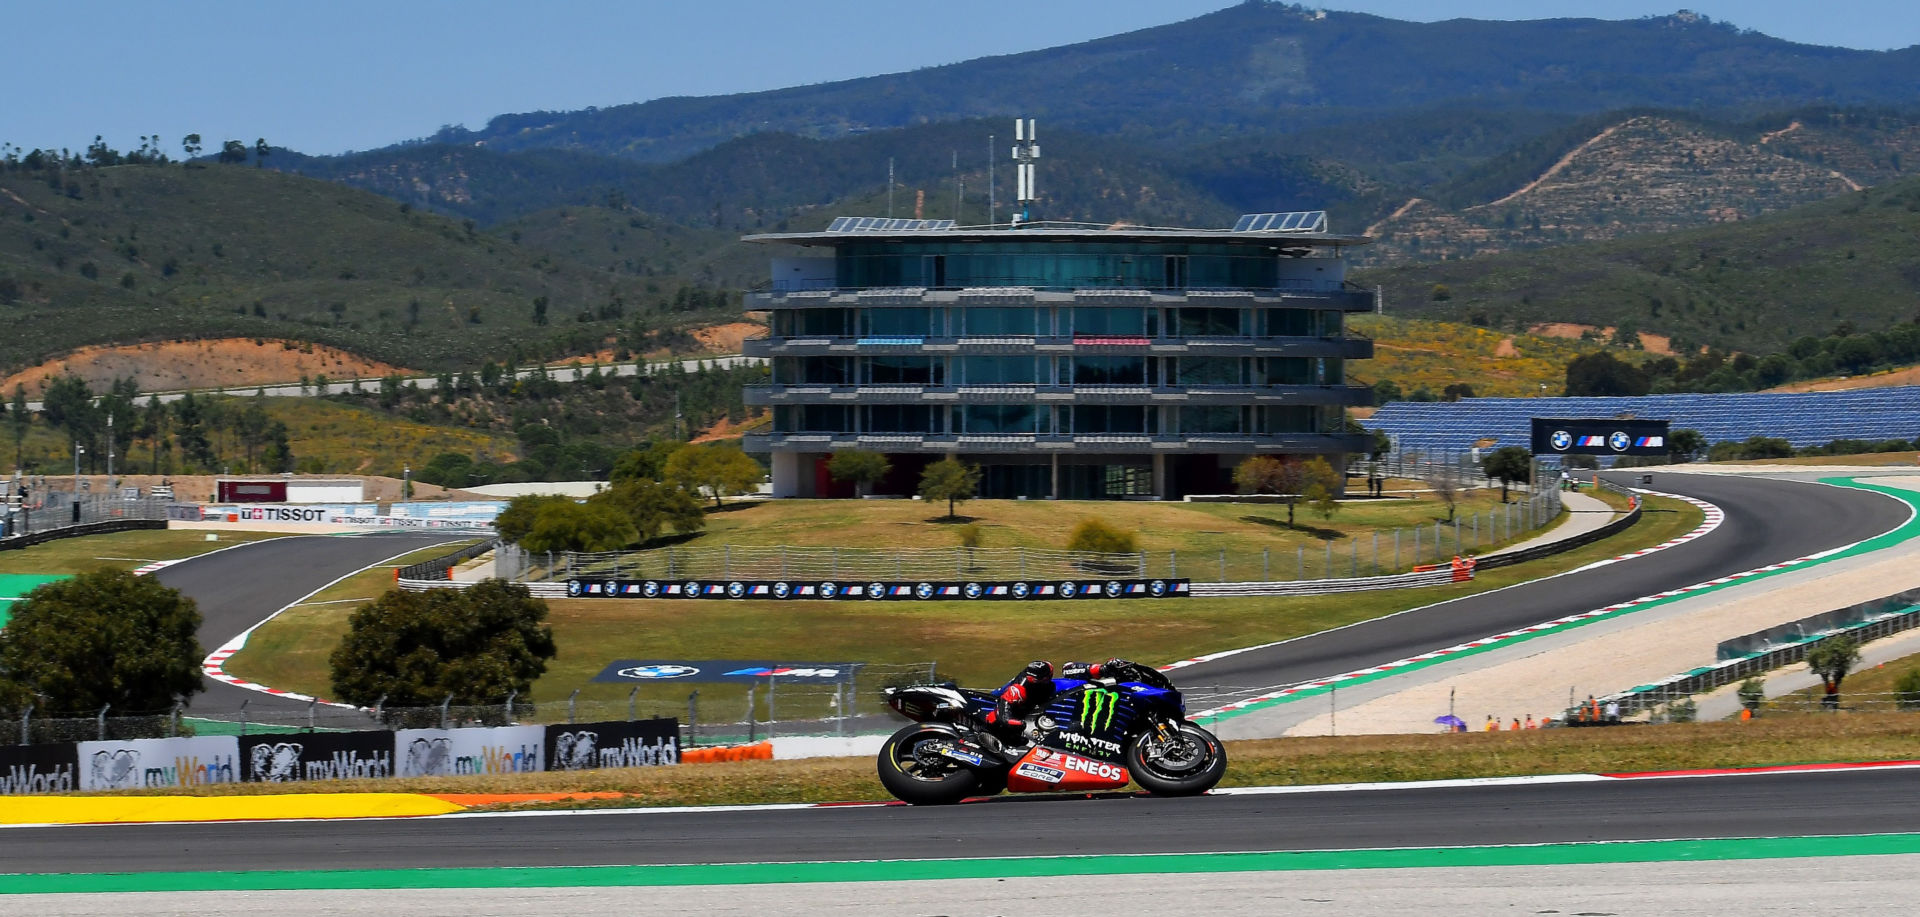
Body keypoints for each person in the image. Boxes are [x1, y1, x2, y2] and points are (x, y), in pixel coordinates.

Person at [984, 658, 1131, 744]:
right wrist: (1008, 719)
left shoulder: (1051, 683)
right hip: (1001, 706)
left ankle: (1104, 669)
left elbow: (1068, 671)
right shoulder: (1019, 688)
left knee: (1070, 670)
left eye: (1047, 676)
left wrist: (1102, 670)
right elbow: (1005, 704)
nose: (1045, 679)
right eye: (1040, 679)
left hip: (1044, 699)